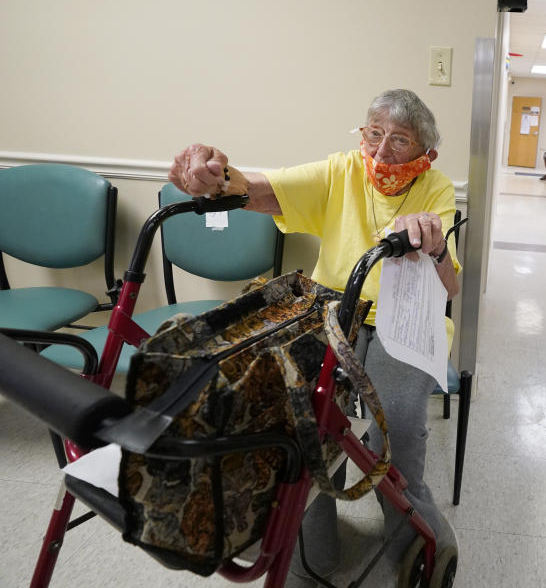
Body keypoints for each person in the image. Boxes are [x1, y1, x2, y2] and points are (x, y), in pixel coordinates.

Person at [167, 89, 460, 586]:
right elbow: (259, 188)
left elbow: (450, 284)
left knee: (401, 425)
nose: (382, 150)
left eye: (400, 140)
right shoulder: (341, 170)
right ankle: (311, 552)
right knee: (302, 415)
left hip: (406, 315)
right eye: (374, 134)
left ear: (425, 153)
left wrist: (431, 244)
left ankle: (416, 543)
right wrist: (213, 176)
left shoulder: (437, 189)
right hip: (333, 307)